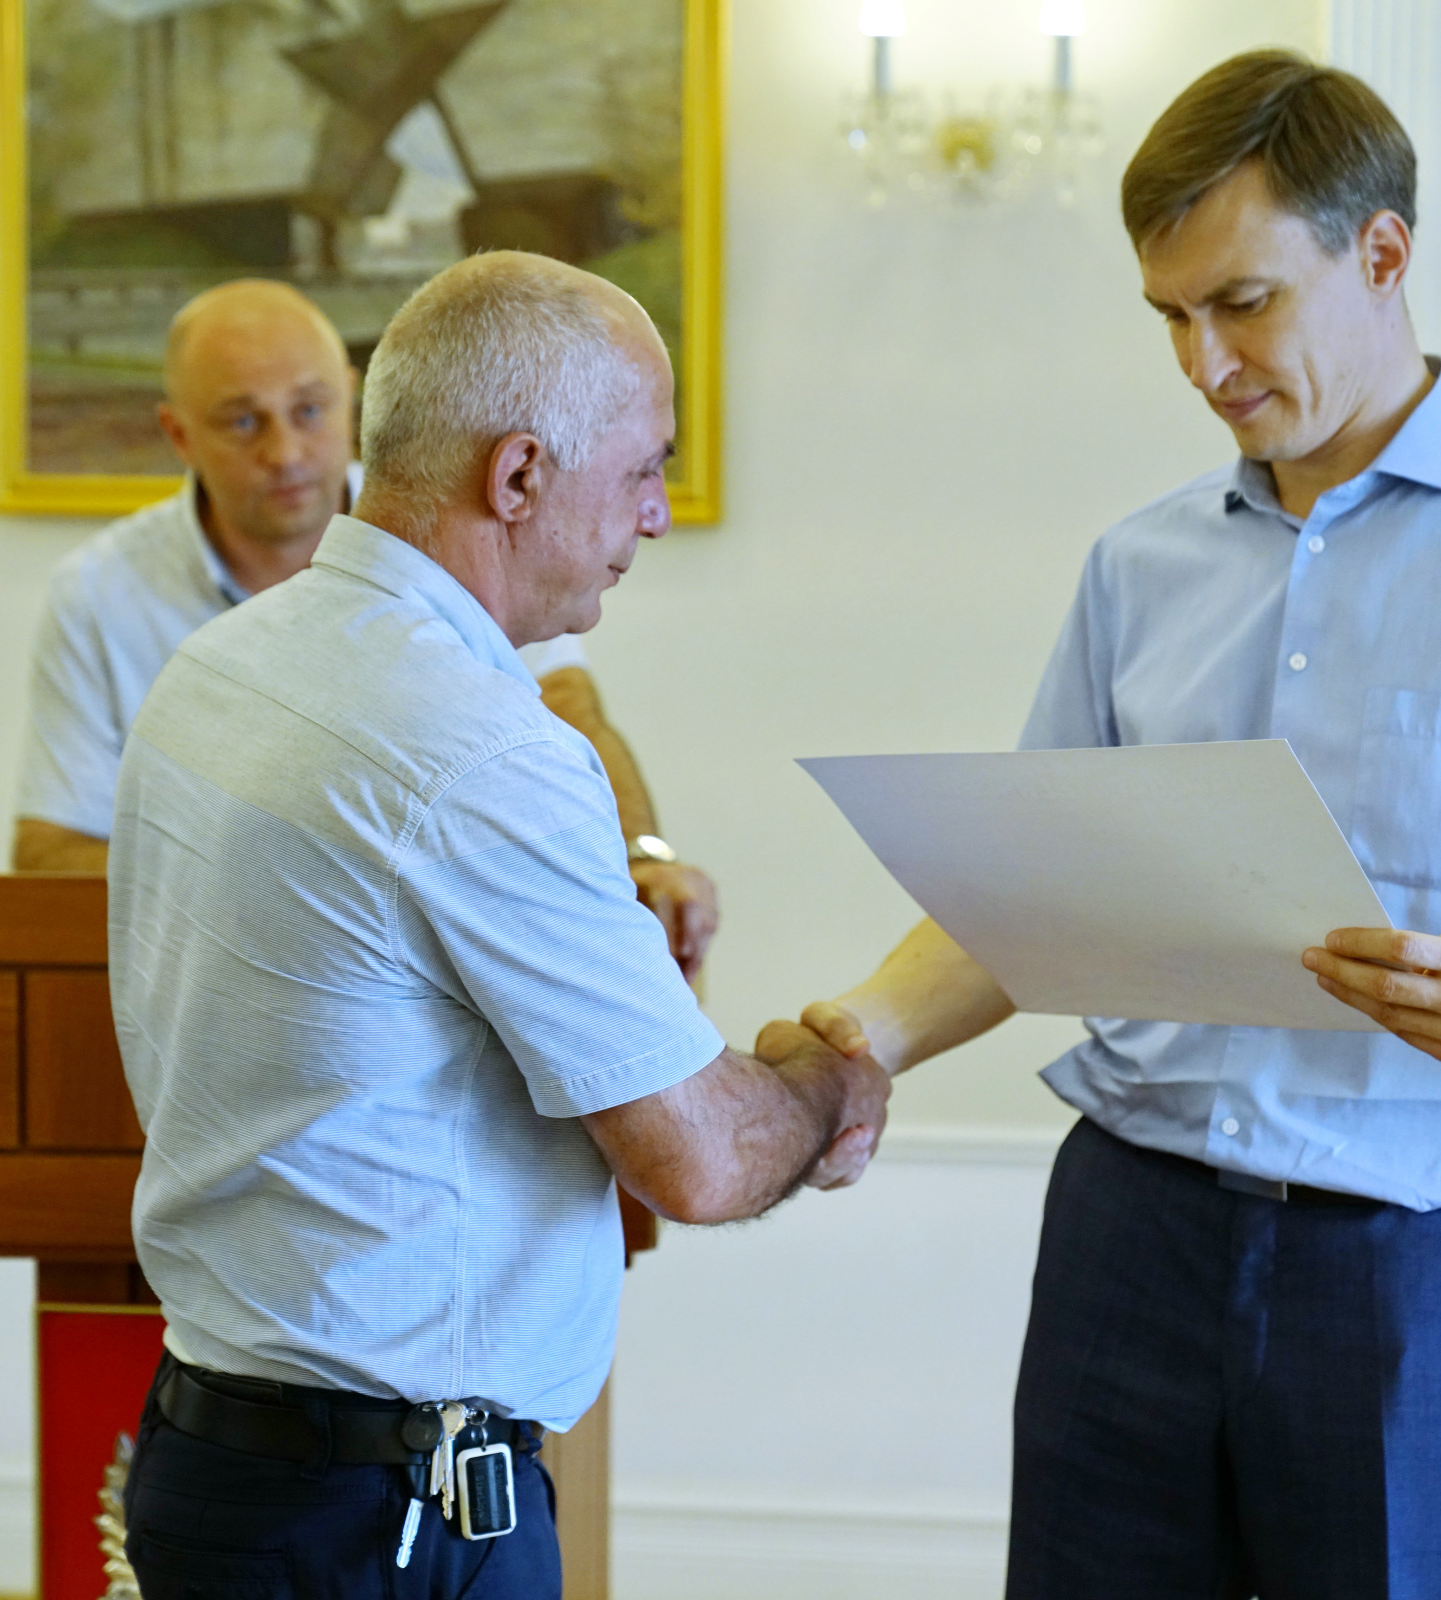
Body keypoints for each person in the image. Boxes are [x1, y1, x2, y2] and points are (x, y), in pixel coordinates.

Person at [784, 50, 1441, 1600]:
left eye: (1241, 303)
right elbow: (1028, 896)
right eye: (1168, 317)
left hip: (1424, 1270)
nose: (1202, 363)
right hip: (1126, 1231)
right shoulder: (1135, 569)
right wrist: (860, 1039)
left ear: (1381, 252)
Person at [106, 252, 891, 1600]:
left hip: (213, 1458)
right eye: (643, 470)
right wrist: (830, 1080)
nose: (655, 517)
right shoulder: (476, 749)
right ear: (518, 475)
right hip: (387, 1519)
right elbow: (699, 1159)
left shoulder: (219, 666)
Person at [11, 278, 719, 979]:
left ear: (352, 399)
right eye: (243, 422)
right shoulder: (101, 591)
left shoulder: (454, 528)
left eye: (310, 410)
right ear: (179, 435)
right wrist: (304, 882)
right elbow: (48, 853)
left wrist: (640, 856)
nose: (286, 453)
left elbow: (568, 712)